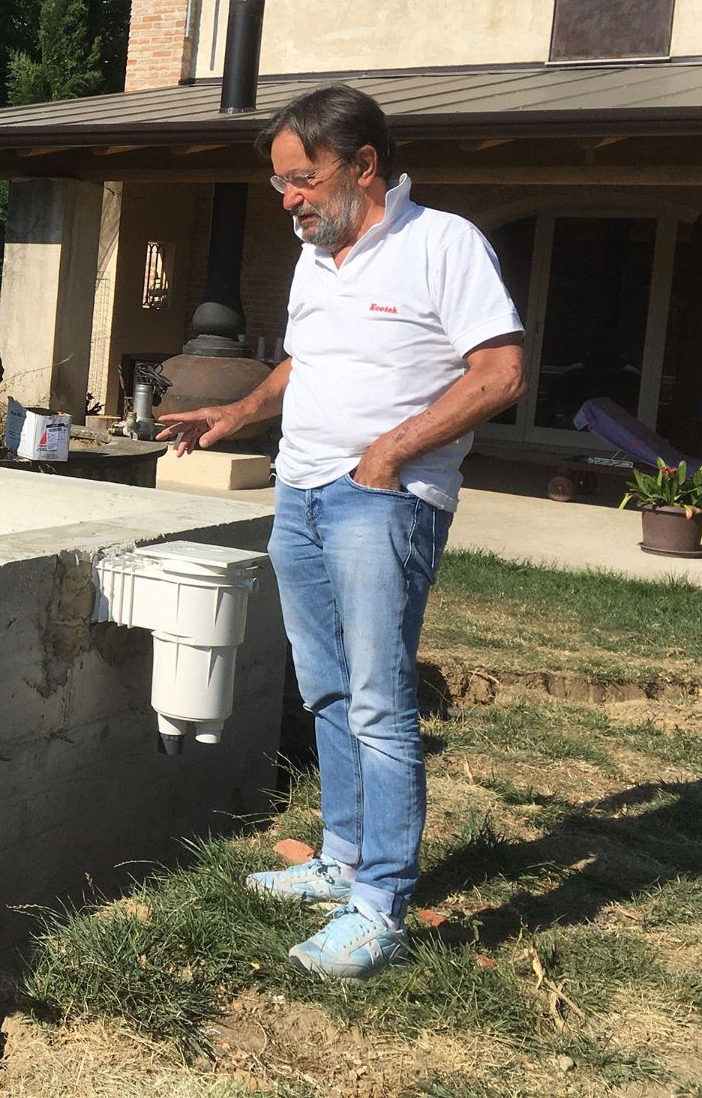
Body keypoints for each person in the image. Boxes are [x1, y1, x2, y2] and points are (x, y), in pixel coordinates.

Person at [157, 85, 526, 979]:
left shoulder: (444, 244)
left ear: (364, 166)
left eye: (301, 179)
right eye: (280, 184)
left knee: (379, 702)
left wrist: (390, 454)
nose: (289, 199)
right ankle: (343, 860)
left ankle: (381, 906)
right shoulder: (316, 259)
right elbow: (304, 362)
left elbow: (502, 371)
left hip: (383, 501)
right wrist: (240, 412)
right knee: (322, 690)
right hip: (303, 493)